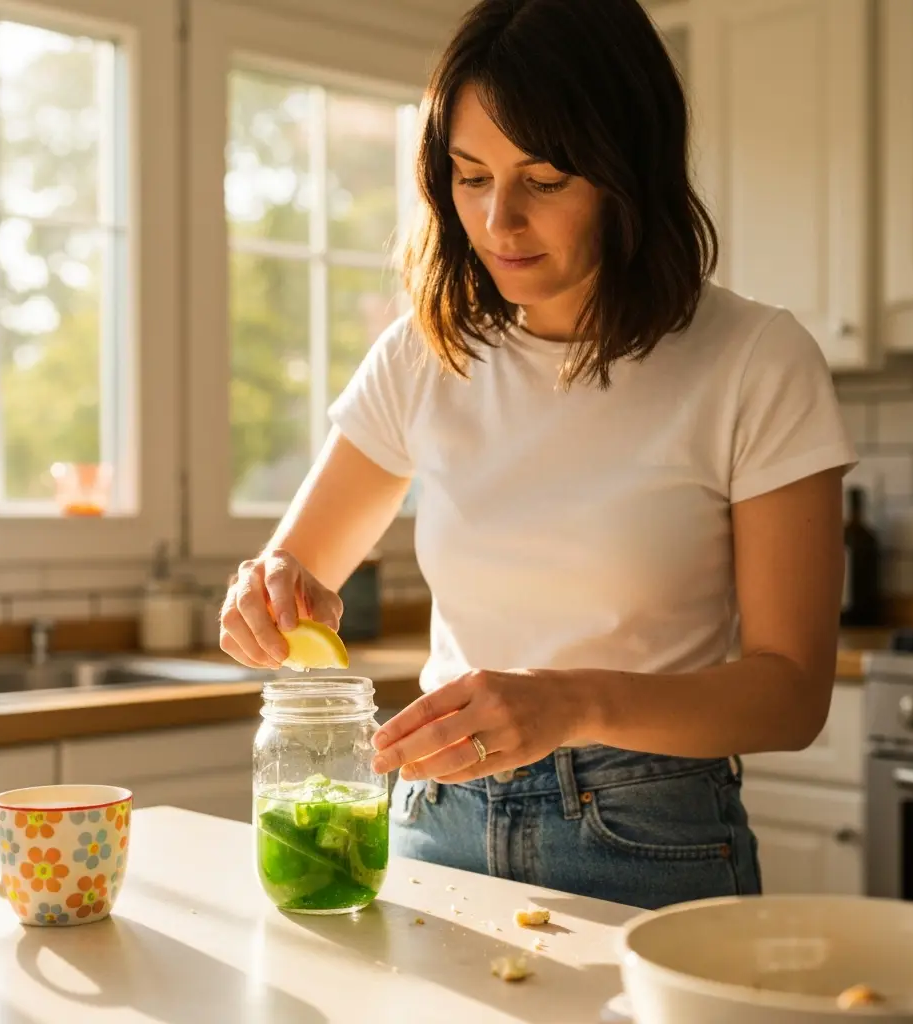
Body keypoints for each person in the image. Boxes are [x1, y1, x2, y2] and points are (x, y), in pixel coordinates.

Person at [220, 0, 857, 910]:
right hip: (431, 820)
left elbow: (792, 697)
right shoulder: (422, 353)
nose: (498, 219)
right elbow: (294, 574)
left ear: (627, 171)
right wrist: (266, 593)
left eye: (545, 179)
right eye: (470, 176)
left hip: (647, 834)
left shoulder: (756, 359)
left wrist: (571, 702)